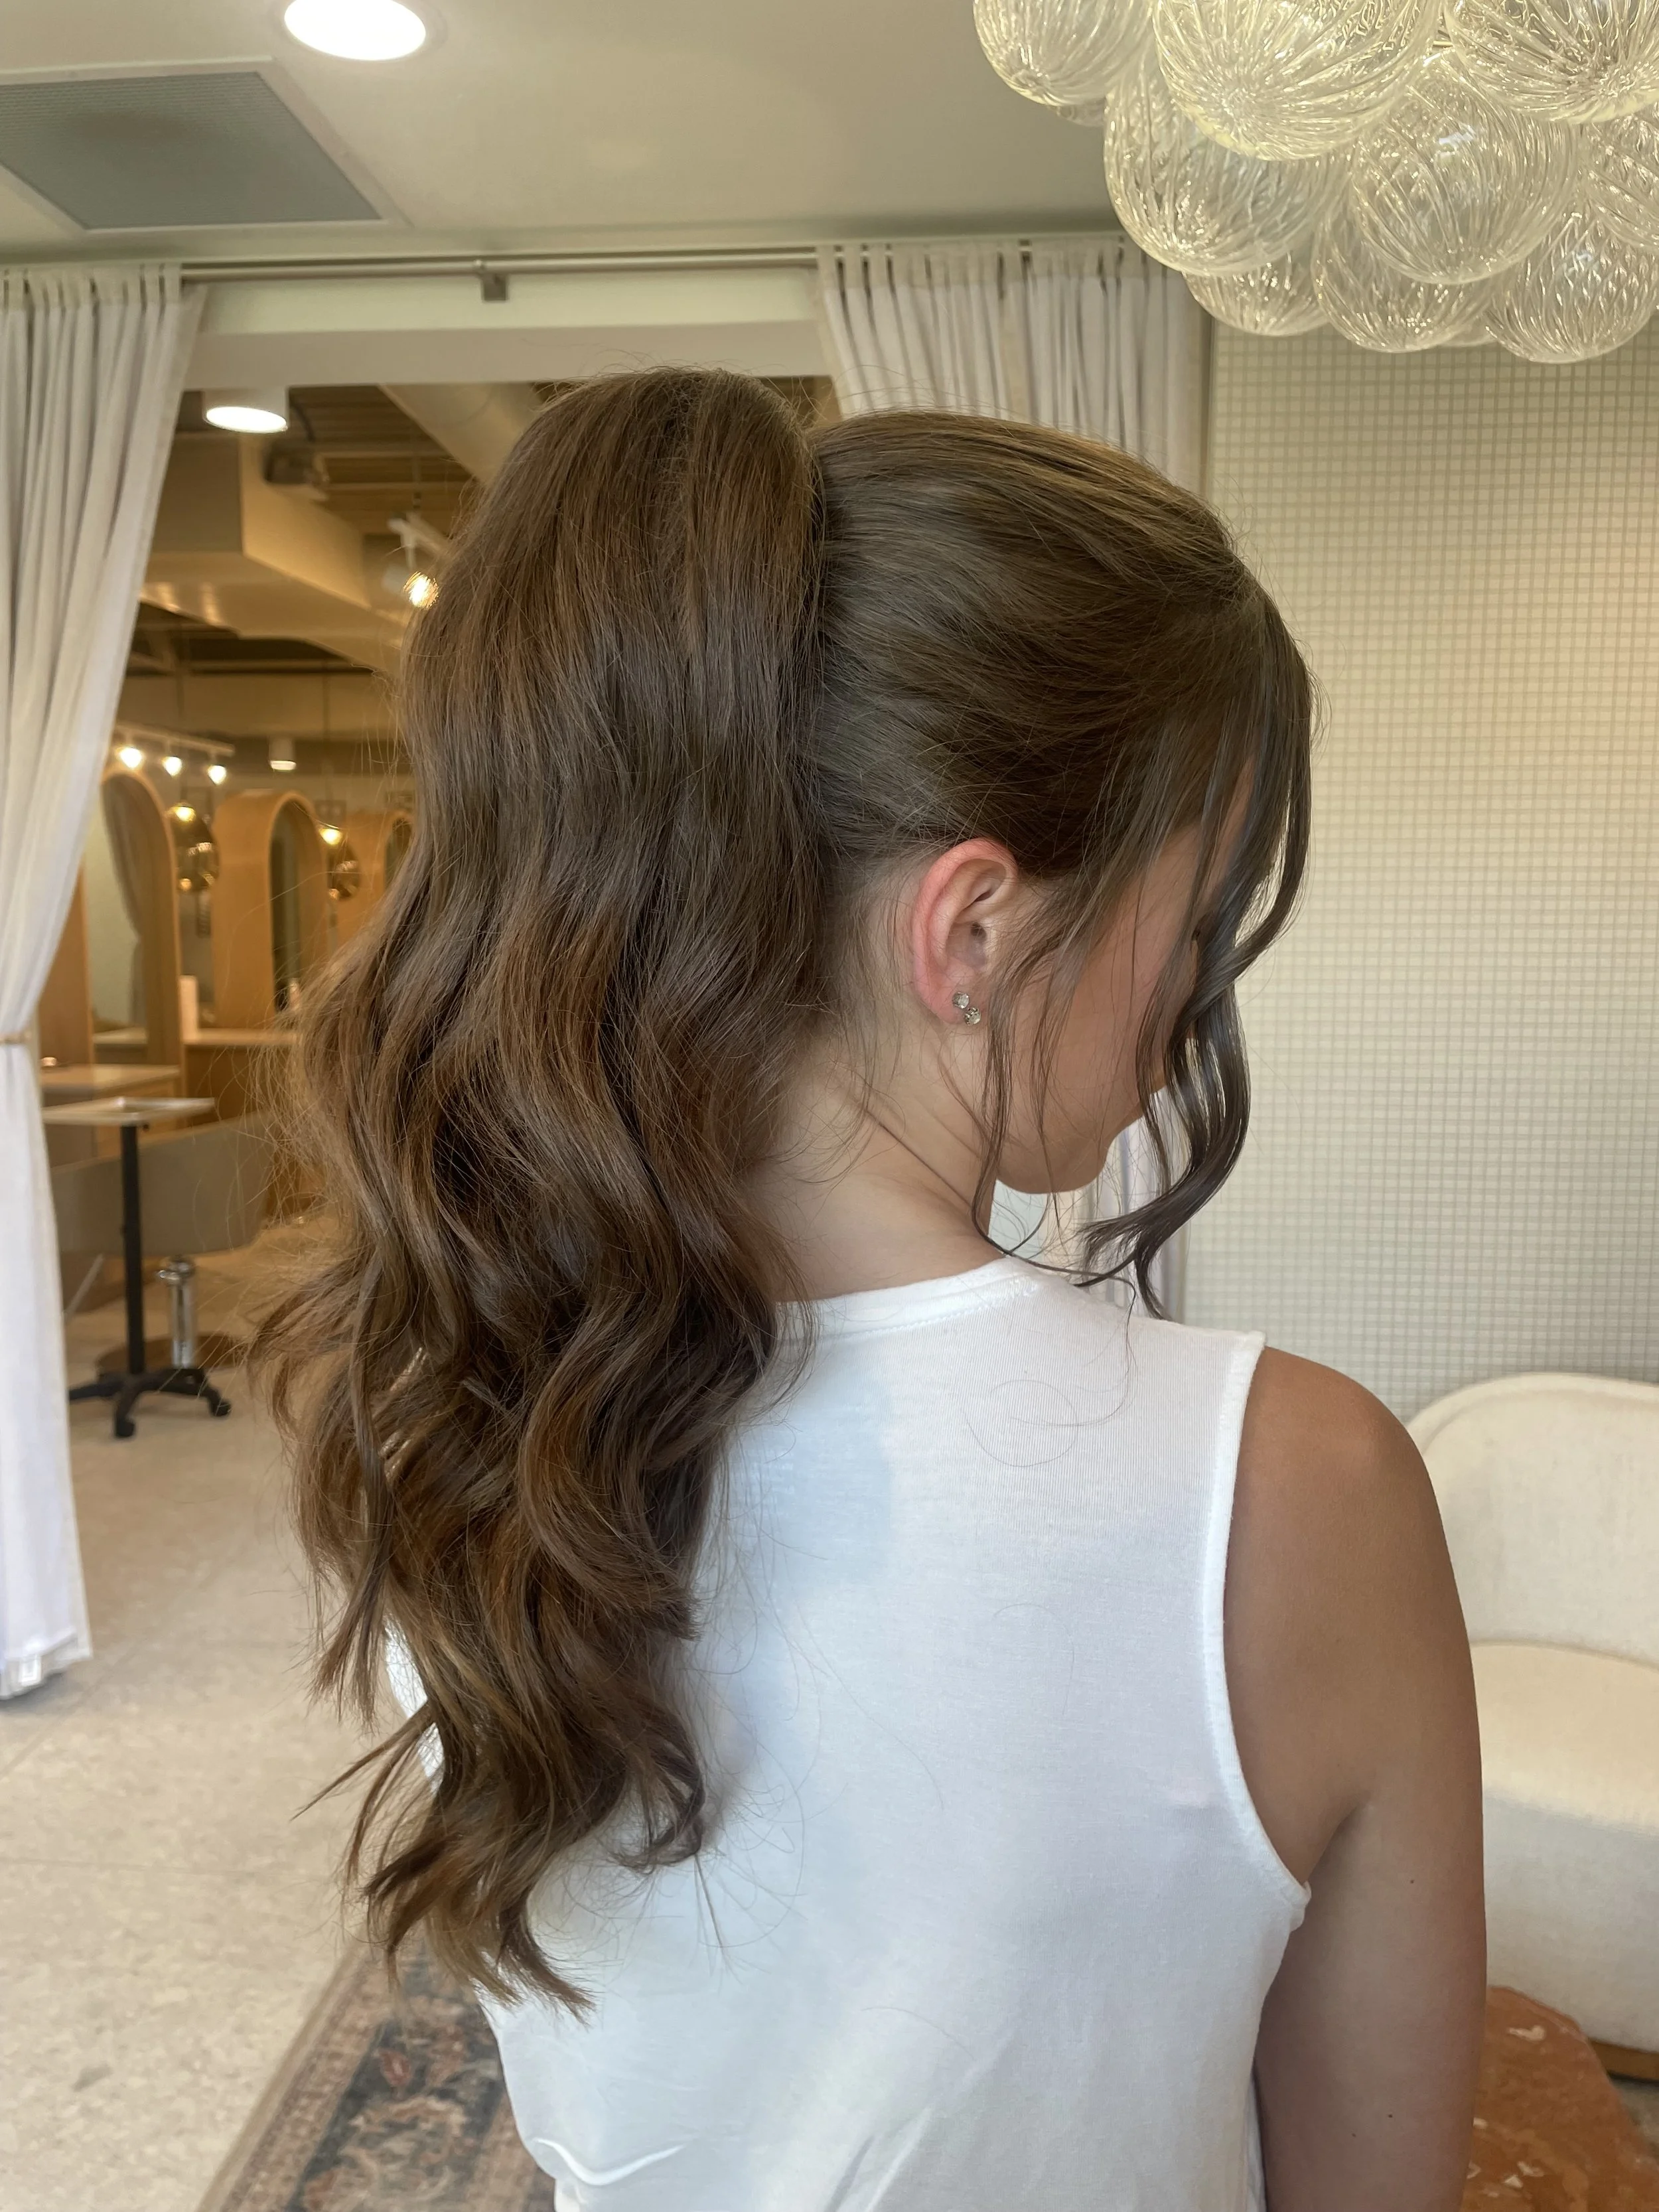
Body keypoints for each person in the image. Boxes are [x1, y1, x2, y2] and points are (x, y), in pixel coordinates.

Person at [252, 367, 1485, 2211]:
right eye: (1199, 909)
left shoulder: (470, 1388)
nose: (1202, 997)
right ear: (970, 927)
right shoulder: (1295, 1484)